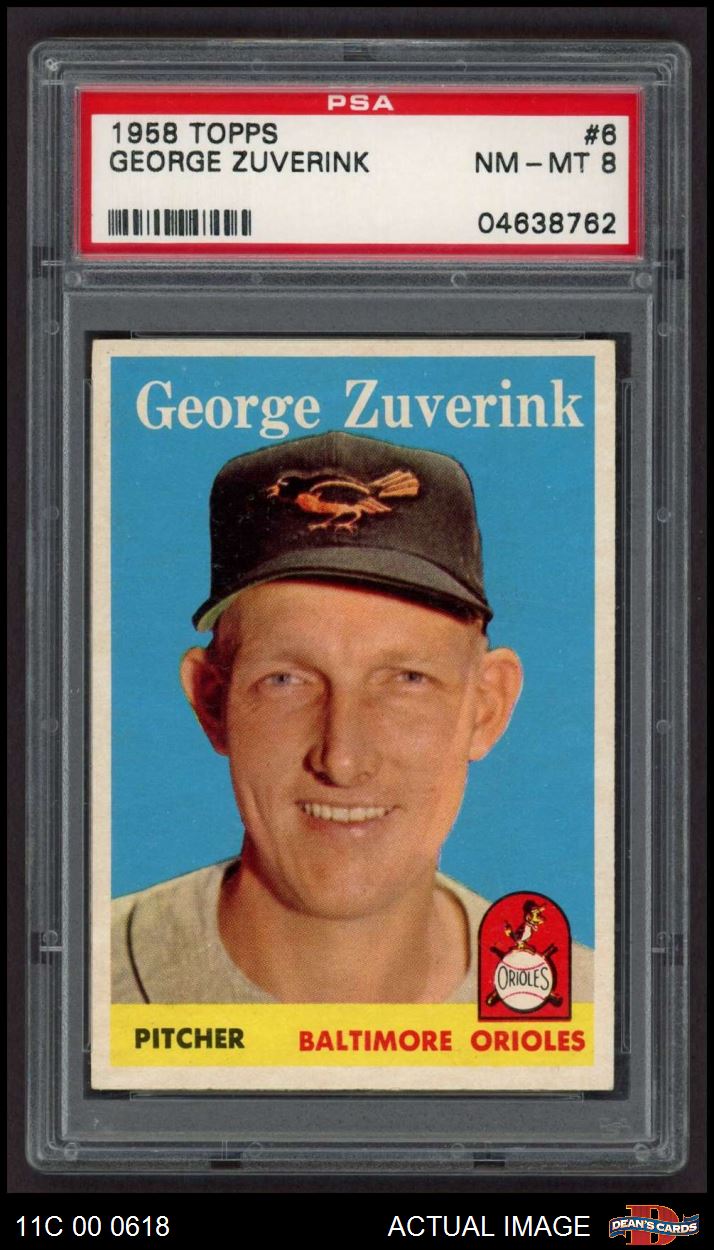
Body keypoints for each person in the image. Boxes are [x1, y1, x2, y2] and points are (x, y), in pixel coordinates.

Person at [112, 430, 592, 1004]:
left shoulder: (588, 1010)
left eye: (407, 679)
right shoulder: (77, 988)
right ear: (212, 703)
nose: (341, 760)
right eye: (286, 681)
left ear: (486, 706)